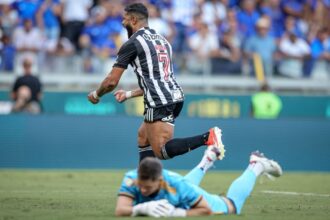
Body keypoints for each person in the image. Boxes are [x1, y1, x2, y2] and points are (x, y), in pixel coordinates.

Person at [87, 3, 224, 162]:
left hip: (159, 101)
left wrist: (96, 94)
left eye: (124, 20)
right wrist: (129, 94)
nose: (122, 23)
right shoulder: (163, 41)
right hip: (174, 95)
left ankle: (208, 137)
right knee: (143, 137)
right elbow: (156, 79)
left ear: (133, 20)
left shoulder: (132, 43)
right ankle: (144, 181)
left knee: (161, 151)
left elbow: (111, 81)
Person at [115, 146, 282, 217]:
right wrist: (139, 208)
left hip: (191, 195)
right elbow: (120, 209)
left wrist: (178, 214)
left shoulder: (177, 186)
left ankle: (256, 165)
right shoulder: (131, 178)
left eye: (148, 188)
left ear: (159, 180)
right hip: (180, 191)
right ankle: (207, 160)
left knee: (232, 206)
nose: (143, 191)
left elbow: (206, 210)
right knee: (181, 191)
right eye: (141, 186)